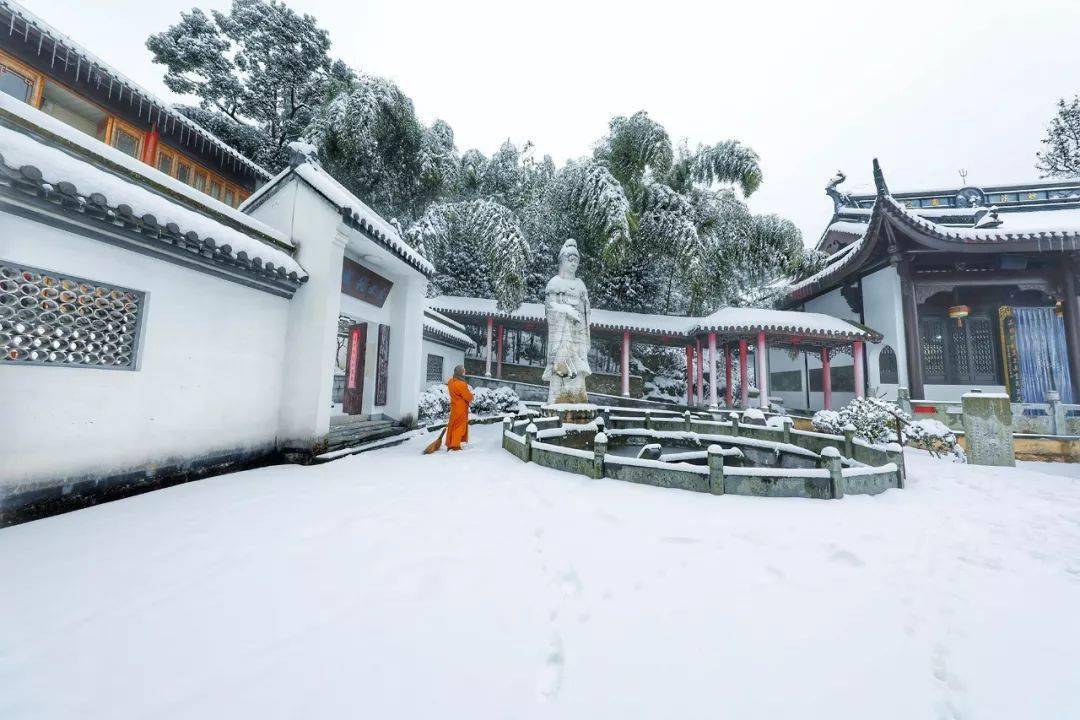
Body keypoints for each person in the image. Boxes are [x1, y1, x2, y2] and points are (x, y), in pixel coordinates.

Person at [445, 364, 473, 451]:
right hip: (461, 408)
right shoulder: (461, 384)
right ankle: (455, 445)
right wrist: (471, 395)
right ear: (460, 372)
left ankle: (450, 443)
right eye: (463, 371)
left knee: (453, 425)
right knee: (459, 426)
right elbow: (468, 397)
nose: (465, 372)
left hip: (454, 406)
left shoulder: (450, 382)